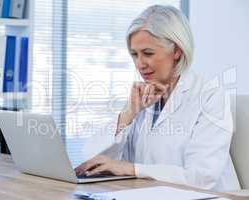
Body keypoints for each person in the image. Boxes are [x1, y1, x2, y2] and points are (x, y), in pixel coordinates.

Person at [75, 5, 240, 192]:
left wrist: (132, 169)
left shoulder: (210, 97)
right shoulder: (141, 98)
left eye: (148, 53)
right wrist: (128, 114)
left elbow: (201, 177)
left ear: (176, 51)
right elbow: (91, 161)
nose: (139, 64)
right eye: (134, 55)